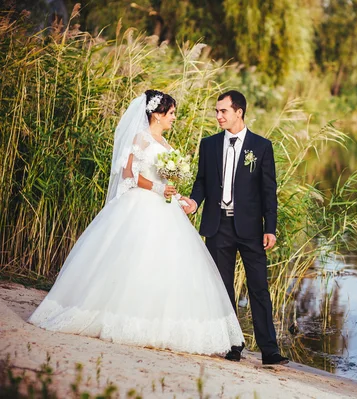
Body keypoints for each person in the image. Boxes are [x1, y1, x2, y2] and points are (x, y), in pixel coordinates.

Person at [28, 90, 245, 355]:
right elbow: (129, 175)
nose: (174, 118)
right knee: (134, 260)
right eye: (172, 113)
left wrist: (178, 197)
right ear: (156, 114)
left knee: (167, 266)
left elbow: (166, 183)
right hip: (140, 206)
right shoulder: (141, 139)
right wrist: (156, 187)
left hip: (166, 209)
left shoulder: (167, 145)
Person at [180, 90, 288, 365]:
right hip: (218, 226)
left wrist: (270, 228)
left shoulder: (261, 147)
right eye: (216, 111)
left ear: (238, 112)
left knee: (259, 288)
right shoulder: (209, 145)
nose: (218, 116)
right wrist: (194, 202)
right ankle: (232, 344)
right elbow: (202, 181)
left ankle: (269, 351)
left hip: (251, 229)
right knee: (223, 288)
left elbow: (268, 192)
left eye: (223, 111)